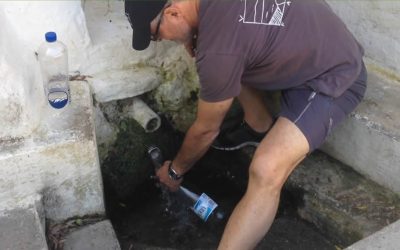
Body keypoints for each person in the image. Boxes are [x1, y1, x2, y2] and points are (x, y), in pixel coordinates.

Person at [125, 0, 367, 249]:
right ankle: (258, 124)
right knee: (221, 68)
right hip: (314, 44)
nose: (162, 40)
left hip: (333, 75)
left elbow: (206, 130)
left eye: (156, 35)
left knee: (266, 169)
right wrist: (193, 35)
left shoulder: (218, 49)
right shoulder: (208, 17)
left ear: (173, 12)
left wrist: (175, 171)